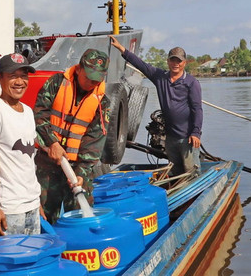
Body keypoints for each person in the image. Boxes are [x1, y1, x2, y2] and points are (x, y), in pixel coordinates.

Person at [34, 49, 110, 223]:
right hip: (48, 163)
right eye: (89, 76)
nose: (92, 82)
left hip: (77, 168)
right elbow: (39, 113)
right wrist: (51, 143)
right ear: (80, 68)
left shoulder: (103, 103)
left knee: (82, 218)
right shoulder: (56, 83)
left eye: (97, 79)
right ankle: (48, 246)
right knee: (43, 216)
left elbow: (95, 142)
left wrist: (81, 173)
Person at [109, 36, 202, 177]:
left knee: (192, 173)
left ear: (184, 63)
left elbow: (197, 109)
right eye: (173, 60)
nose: (175, 63)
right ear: (168, 61)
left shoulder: (191, 82)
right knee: (175, 172)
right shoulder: (160, 77)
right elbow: (141, 65)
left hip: (187, 137)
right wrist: (122, 49)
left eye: (179, 61)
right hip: (170, 136)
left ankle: (196, 195)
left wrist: (196, 132)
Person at [0, 53, 42, 236]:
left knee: (32, 261)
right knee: (12, 263)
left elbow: (28, 160)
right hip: (10, 208)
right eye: (13, 76)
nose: (19, 82)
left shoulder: (28, 112)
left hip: (32, 205)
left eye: (24, 76)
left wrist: (36, 202)